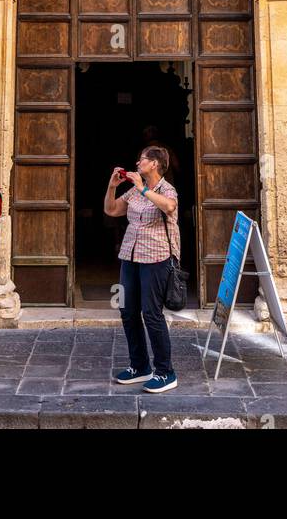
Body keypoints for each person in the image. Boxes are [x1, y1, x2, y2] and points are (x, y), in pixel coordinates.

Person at [104, 145, 180, 394]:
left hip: (156, 259)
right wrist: (113, 186)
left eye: (143, 159)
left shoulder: (166, 189)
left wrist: (144, 189)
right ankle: (140, 366)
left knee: (152, 314)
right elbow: (111, 209)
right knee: (126, 311)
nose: (138, 163)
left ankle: (165, 372)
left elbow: (169, 207)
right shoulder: (133, 192)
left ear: (155, 164)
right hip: (130, 256)